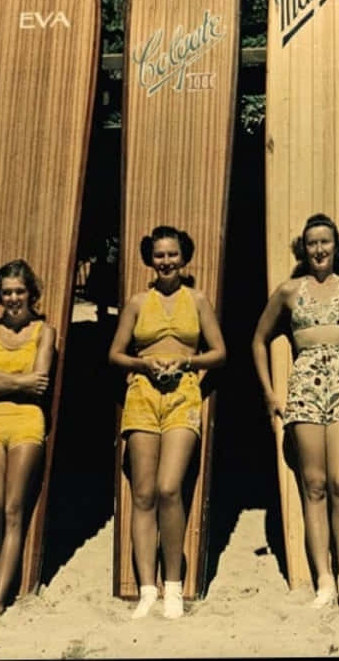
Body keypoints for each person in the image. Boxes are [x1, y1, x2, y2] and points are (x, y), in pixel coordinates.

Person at [251, 212, 339, 610]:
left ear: (337, 246)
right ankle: (323, 580)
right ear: (303, 248)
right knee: (312, 485)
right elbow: (259, 339)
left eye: (325, 242)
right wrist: (269, 392)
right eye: (312, 243)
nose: (319, 249)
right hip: (304, 391)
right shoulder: (288, 292)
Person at [108, 226, 226, 620]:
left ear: (184, 257)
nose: (166, 262)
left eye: (172, 254)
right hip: (141, 394)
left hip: (184, 395)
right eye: (159, 255)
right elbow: (115, 354)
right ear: (149, 259)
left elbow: (219, 352)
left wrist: (187, 362)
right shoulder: (138, 302)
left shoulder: (198, 300)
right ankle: (146, 588)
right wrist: (144, 363)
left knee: (169, 488)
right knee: (142, 494)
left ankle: (173, 584)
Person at [0, 259, 56, 618]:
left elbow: (41, 382)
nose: (13, 298)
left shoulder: (43, 332)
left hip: (27, 423)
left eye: (19, 291)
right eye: (7, 292)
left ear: (30, 293)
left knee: (13, 509)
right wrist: (19, 382)